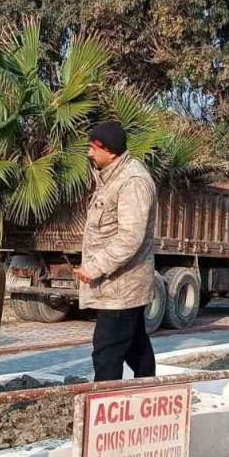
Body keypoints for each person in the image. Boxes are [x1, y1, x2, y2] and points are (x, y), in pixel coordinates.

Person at [74, 120, 157, 382]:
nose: (89, 154)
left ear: (109, 151)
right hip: (118, 286)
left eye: (93, 148)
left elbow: (130, 237)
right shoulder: (112, 177)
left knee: (107, 352)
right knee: (135, 345)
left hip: (121, 287)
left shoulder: (132, 181)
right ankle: (149, 391)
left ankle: (104, 412)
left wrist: (95, 267)